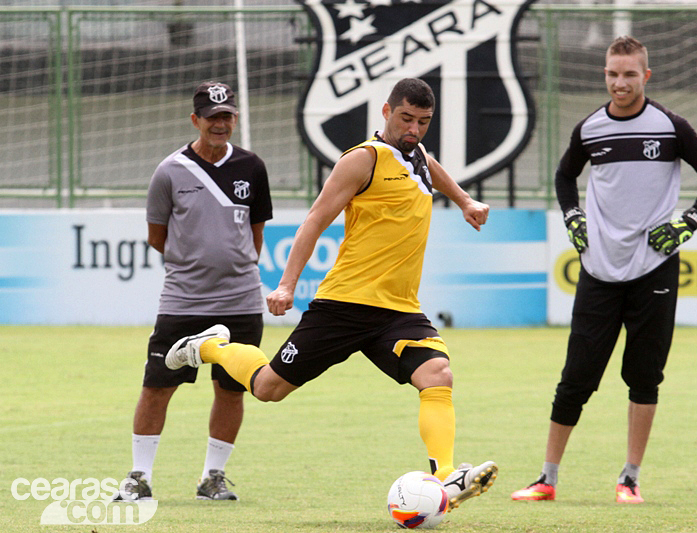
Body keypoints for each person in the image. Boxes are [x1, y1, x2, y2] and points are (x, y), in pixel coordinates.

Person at [164, 77, 498, 511]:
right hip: (344, 305)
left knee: (438, 374)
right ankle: (210, 346)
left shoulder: (414, 152)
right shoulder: (362, 160)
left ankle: (444, 477)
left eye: (423, 121)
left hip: (398, 310)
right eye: (406, 118)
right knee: (267, 389)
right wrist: (286, 284)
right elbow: (315, 220)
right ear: (386, 111)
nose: (414, 129)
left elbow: (428, 164)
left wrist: (465, 200)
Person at [511, 36, 697, 504]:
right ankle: (547, 479)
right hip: (598, 270)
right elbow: (564, 175)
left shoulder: (670, 127)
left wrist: (687, 224)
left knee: (644, 376)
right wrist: (572, 216)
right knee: (576, 377)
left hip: (655, 269)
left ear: (645, 76)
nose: (620, 82)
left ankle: (629, 479)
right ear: (604, 75)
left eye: (630, 74)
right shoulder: (590, 129)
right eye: (613, 73)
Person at [114, 81, 273, 501]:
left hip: (240, 301)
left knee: (231, 389)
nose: (220, 124)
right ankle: (138, 477)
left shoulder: (252, 167)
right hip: (184, 299)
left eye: (228, 116)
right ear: (195, 120)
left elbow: (255, 234)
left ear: (235, 119)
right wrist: (194, 263)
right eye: (212, 116)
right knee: (157, 385)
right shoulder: (169, 171)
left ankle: (212, 478)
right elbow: (156, 235)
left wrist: (235, 267)